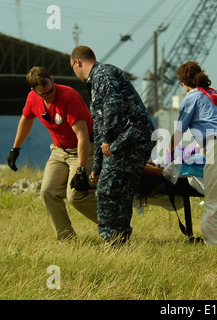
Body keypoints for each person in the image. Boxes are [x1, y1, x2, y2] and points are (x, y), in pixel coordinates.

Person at [70, 45, 155, 244]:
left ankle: (112, 239)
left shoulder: (103, 74)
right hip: (127, 141)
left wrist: (108, 138)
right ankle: (119, 239)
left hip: (130, 139)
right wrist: (97, 166)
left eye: (72, 68)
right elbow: (99, 127)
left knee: (108, 191)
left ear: (77, 62)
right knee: (120, 191)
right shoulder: (99, 78)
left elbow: (113, 106)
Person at [7, 66, 97, 240]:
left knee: (76, 196)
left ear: (52, 80)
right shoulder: (33, 98)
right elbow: (26, 119)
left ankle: (116, 226)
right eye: (44, 94)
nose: (49, 95)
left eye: (50, 90)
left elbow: (82, 136)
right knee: (47, 191)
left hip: (83, 149)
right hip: (58, 151)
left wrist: (80, 170)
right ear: (34, 91)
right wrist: (15, 148)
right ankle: (67, 239)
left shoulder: (69, 97)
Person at [169, 61, 217, 246]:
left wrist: (169, 152)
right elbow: (216, 122)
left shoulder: (191, 97)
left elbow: (180, 131)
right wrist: (196, 147)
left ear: (183, 83)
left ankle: (216, 248)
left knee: (215, 201)